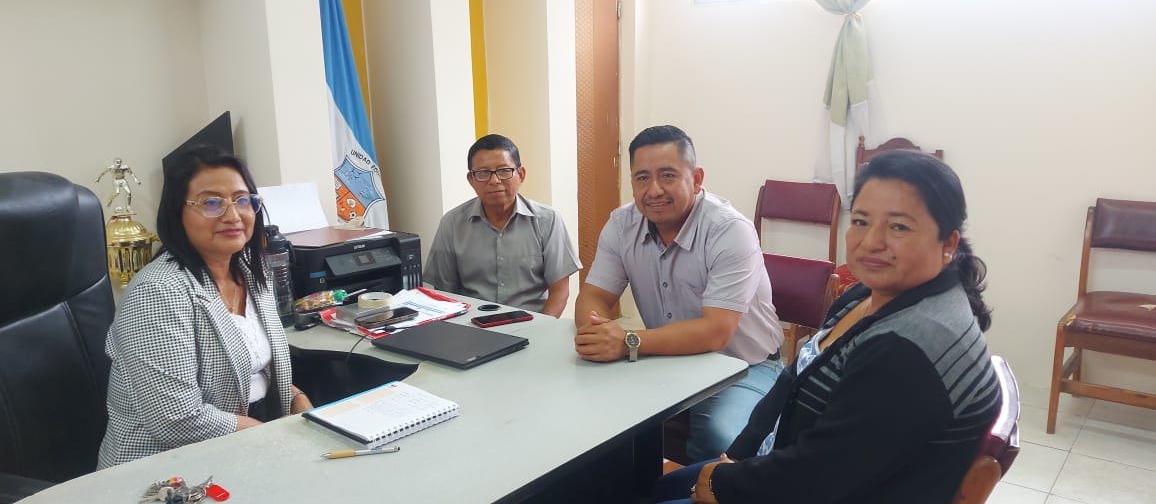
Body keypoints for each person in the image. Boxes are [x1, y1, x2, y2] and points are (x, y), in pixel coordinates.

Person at [653, 151, 1001, 504]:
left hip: (809, 487)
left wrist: (725, 484)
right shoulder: (869, 294)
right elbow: (790, 382)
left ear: (948, 244)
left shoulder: (909, 347)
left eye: (898, 227)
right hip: (784, 465)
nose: (871, 241)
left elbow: (821, 478)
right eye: (861, 221)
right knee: (652, 490)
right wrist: (735, 457)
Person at [574, 125, 784, 462]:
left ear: (696, 179)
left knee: (721, 439)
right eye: (642, 178)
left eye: (668, 176)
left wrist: (628, 341)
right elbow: (593, 295)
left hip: (741, 366)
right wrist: (595, 333)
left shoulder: (730, 231)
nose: (654, 190)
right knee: (595, 417)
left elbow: (716, 331)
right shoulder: (622, 225)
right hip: (664, 359)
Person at [98, 145, 312, 468]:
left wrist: (297, 400)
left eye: (242, 200)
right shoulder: (157, 292)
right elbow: (176, 419)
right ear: (177, 213)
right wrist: (273, 438)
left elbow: (254, 370)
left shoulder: (251, 271)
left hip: (240, 448)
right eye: (212, 203)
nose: (233, 215)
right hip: (162, 471)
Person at [424, 134, 581, 317]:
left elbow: (559, 292)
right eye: (483, 173)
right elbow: (445, 294)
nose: (494, 181)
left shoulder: (548, 220)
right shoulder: (451, 224)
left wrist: (542, 328)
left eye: (504, 171)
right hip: (472, 326)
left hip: (532, 323)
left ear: (520, 175)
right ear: (471, 179)